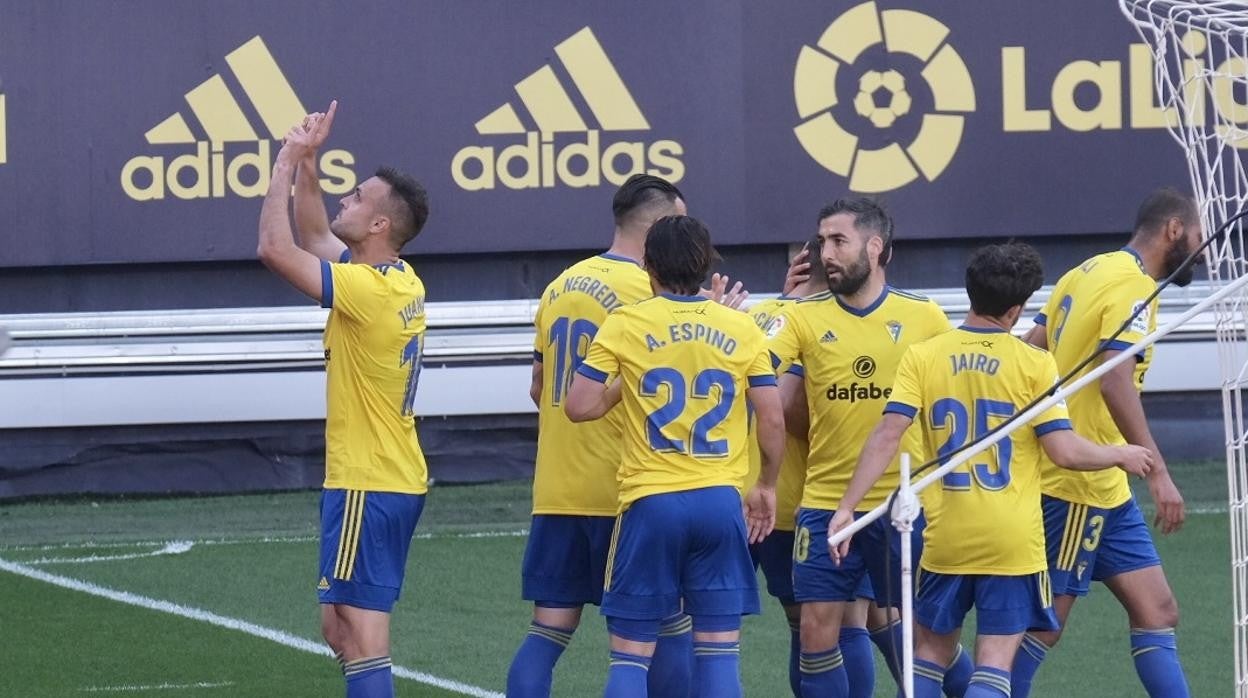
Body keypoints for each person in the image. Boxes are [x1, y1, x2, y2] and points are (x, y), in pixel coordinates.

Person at [829, 242, 1154, 698]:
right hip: (1011, 541)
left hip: (947, 538)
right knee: (995, 664)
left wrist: (846, 509)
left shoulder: (925, 356)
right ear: (1017, 309)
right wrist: (1119, 454)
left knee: (929, 655)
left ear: (969, 292)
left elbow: (886, 435)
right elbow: (1063, 450)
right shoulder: (1034, 363)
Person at [565, 215, 785, 698]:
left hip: (652, 502)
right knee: (720, 654)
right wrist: (766, 485)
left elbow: (578, 406)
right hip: (719, 501)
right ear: (706, 265)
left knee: (630, 656)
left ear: (648, 266)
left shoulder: (626, 322)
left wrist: (632, 379)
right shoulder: (741, 326)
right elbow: (771, 418)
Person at [259, 101, 431, 697]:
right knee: (338, 627)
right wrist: (310, 162)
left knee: (358, 633)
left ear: (381, 226)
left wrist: (281, 165)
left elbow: (278, 250)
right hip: (383, 477)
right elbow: (313, 235)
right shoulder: (391, 276)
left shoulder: (367, 290)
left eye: (357, 199)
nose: (344, 202)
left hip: (370, 480)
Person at [506, 174, 697, 698]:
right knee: (660, 627)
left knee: (546, 633)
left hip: (556, 490)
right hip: (625, 490)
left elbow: (538, 385)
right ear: (659, 227)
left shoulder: (559, 286)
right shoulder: (649, 291)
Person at [766, 199, 964, 697]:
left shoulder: (924, 316)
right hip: (823, 504)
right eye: (822, 241)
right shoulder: (801, 318)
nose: (825, 253)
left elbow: (957, 392)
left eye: (838, 241)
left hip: (903, 505)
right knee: (815, 632)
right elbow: (754, 369)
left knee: (918, 634)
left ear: (875, 248)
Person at [1011, 188, 1201, 697]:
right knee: (1043, 626)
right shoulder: (1134, 288)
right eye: (1199, 236)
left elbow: (1035, 345)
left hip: (1107, 485)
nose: (1203, 251)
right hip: (1079, 483)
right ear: (1174, 230)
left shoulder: (1086, 271)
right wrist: (1159, 472)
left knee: (1158, 609)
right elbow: (1115, 379)